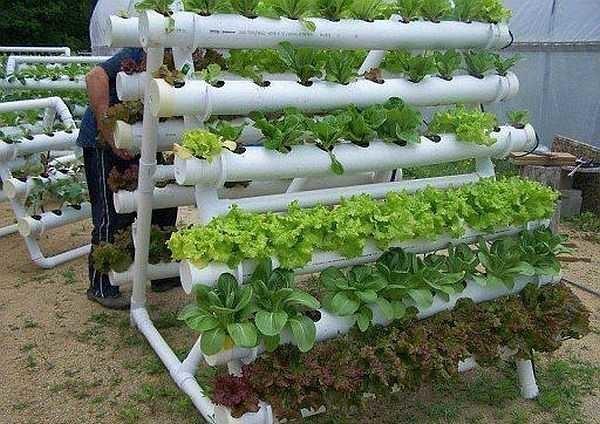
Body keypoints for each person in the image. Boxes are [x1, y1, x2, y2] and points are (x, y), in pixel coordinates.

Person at [78, 48, 179, 310]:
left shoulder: (187, 58)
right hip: (105, 140)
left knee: (163, 205)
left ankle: (160, 273)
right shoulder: (143, 49)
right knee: (112, 213)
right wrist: (109, 131)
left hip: (144, 138)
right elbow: (95, 77)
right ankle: (101, 285)